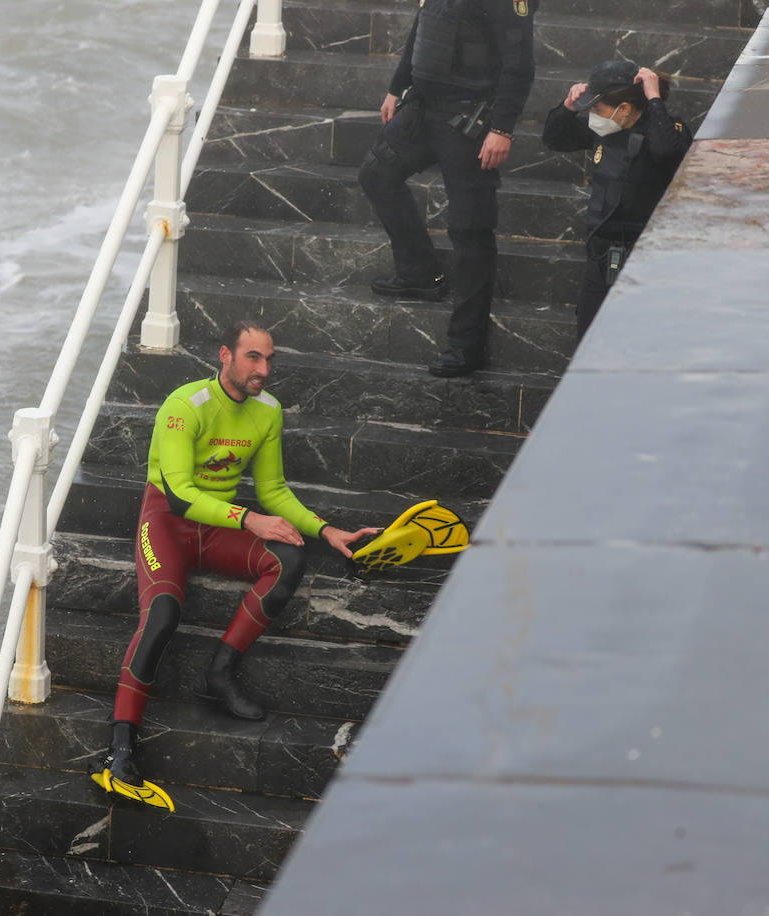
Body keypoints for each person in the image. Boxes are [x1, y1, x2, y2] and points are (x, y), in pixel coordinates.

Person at [91, 320, 378, 803]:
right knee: (162, 614)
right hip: (165, 523)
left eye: (269, 360)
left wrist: (327, 531)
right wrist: (249, 520)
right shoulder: (186, 406)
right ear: (225, 355)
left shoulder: (267, 411)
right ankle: (119, 748)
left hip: (219, 528)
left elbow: (274, 491)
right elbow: (180, 495)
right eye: (252, 357)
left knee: (288, 557)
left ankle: (220, 672)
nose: (262, 370)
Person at [358, 0, 537, 378]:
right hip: (423, 107)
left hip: (469, 118)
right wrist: (396, 86)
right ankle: (419, 272)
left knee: (470, 231)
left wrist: (502, 128)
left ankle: (466, 344)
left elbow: (519, 64)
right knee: (376, 175)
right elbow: (423, 26)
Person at [542, 60, 692, 339]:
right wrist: (568, 107)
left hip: (645, 257)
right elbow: (555, 139)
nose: (593, 116)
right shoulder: (606, 129)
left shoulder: (664, 130)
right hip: (601, 253)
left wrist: (654, 99)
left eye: (598, 109)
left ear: (623, 109)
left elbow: (666, 152)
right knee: (588, 337)